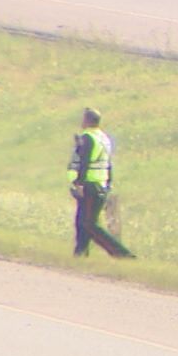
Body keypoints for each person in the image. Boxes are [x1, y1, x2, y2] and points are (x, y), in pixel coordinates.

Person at [67, 107, 133, 259]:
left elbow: (84, 162)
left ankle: (122, 254)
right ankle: (80, 255)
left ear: (87, 120)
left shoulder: (87, 137)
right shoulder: (103, 138)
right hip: (100, 183)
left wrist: (79, 184)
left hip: (89, 184)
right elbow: (108, 163)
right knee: (82, 222)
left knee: (89, 224)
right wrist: (108, 183)